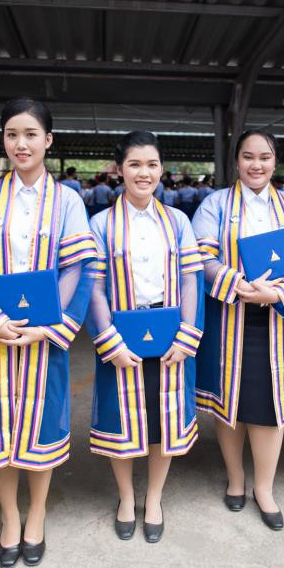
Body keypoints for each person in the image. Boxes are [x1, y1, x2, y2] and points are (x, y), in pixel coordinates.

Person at [0, 98, 96, 568]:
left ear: (48, 140)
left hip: (43, 333)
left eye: (31, 134)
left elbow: (77, 266)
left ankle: (36, 513)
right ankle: (9, 516)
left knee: (42, 424)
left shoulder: (68, 200)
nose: (21, 144)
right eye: (12, 134)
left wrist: (48, 325)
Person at [192, 130, 284, 531]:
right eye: (248, 156)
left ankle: (264, 487)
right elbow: (201, 255)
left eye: (264, 157)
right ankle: (235, 478)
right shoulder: (215, 204)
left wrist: (277, 293)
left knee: (269, 405)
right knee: (229, 401)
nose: (256, 164)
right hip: (229, 314)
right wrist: (238, 285)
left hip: (277, 318)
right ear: (236, 161)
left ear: (275, 161)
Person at [87, 131, 204, 543]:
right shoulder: (100, 224)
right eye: (134, 164)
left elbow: (190, 279)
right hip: (121, 335)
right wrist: (109, 340)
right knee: (121, 420)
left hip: (170, 333)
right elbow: (94, 286)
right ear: (119, 170)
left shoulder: (178, 221)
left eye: (152, 164)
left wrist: (187, 334)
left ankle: (153, 497)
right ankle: (125, 497)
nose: (144, 173)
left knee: (163, 420)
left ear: (161, 169)